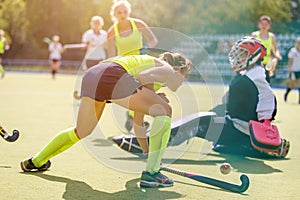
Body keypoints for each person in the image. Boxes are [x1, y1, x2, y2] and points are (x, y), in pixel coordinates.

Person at [20, 52, 193, 188]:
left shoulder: (155, 72)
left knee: (82, 131)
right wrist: (155, 97)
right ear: (178, 70)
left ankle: (36, 161)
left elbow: (138, 122)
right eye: (185, 76)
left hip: (93, 75)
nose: (183, 82)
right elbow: (144, 77)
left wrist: (148, 152)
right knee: (166, 110)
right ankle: (153, 173)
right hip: (112, 74)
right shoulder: (168, 70)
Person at [113, 37, 290, 159]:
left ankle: (147, 142)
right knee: (205, 118)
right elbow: (229, 104)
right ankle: (149, 138)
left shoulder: (257, 74)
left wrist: (265, 120)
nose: (238, 57)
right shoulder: (247, 74)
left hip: (244, 129)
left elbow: (268, 99)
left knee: (202, 121)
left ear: (254, 56)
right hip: (235, 125)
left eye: (243, 54)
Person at [107, 0, 158, 133]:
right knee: (136, 93)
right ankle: (135, 119)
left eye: (125, 11)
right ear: (114, 14)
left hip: (142, 62)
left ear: (128, 12)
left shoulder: (138, 24)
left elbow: (153, 40)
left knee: (147, 92)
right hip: (126, 66)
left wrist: (146, 48)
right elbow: (111, 55)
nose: (123, 14)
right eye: (119, 12)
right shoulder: (112, 31)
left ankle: (133, 117)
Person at [251, 15, 282, 82]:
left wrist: (277, 56)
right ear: (259, 25)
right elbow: (251, 49)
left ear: (269, 26)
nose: (264, 26)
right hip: (257, 62)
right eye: (262, 24)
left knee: (266, 82)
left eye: (266, 24)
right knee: (256, 82)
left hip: (268, 63)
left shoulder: (272, 36)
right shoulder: (254, 35)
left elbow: (275, 50)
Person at [284, 37, 300, 104]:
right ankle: (286, 94)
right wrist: (289, 68)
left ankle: (299, 100)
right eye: (298, 43)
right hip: (294, 70)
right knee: (292, 85)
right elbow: (290, 60)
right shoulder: (293, 51)